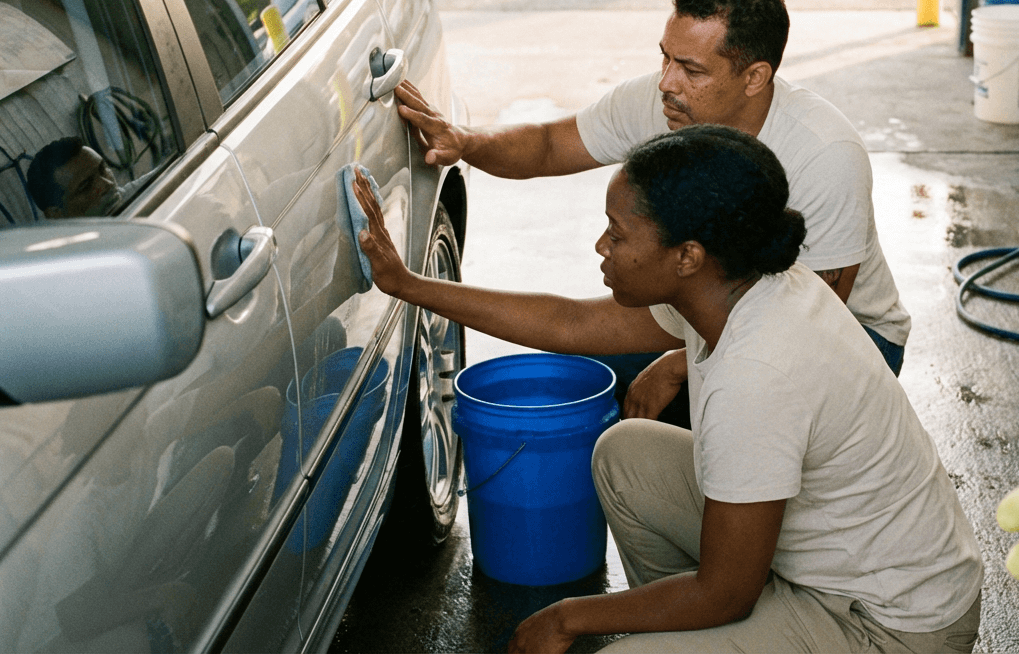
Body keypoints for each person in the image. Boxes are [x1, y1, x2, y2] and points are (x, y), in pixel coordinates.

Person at [351, 125, 983, 654]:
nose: (602, 244)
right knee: (626, 455)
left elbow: (724, 592)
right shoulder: (738, 283)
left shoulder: (760, 372)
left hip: (891, 626)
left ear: (687, 255)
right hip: (822, 564)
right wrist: (407, 284)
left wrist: (568, 616)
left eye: (619, 235)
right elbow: (568, 322)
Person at [392, 0, 911, 425]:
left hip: (849, 336)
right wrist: (464, 143)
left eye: (693, 69)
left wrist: (684, 364)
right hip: (706, 306)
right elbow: (550, 146)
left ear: (755, 77)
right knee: (583, 373)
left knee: (715, 431)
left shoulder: (824, 153)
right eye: (666, 58)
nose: (667, 82)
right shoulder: (664, 102)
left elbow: (813, 321)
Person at [26, 137, 150, 219]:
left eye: (103, 169)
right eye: (85, 186)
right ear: (55, 214)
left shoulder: (135, 195)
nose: (107, 184)